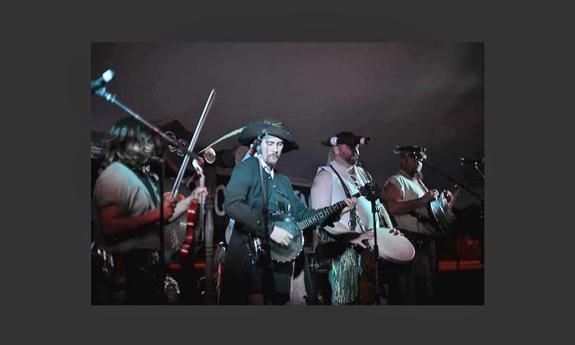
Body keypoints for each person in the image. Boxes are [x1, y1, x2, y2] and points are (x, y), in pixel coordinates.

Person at [221, 121, 355, 305]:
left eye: (279, 144)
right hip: (249, 257)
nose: (275, 149)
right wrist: (270, 229)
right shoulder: (247, 168)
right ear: (258, 145)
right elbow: (233, 204)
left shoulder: (282, 180)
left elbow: (303, 215)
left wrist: (335, 210)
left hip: (278, 263)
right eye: (270, 143)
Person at [92, 117, 206, 304]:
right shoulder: (114, 175)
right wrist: (156, 214)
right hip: (128, 266)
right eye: (141, 141)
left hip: (150, 264)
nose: (148, 146)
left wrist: (191, 199)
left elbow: (162, 218)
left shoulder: (144, 177)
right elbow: (110, 225)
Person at [310, 131, 398, 305]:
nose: (355, 150)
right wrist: (352, 236)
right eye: (350, 146)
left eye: (357, 146)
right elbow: (319, 218)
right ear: (336, 149)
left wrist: (389, 230)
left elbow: (379, 207)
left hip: (368, 253)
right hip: (342, 254)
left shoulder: (364, 174)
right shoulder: (326, 176)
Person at [383, 145, 453, 304]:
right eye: (414, 158)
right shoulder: (397, 180)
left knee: (427, 293)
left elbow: (426, 210)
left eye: (420, 158)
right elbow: (392, 207)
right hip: (412, 243)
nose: (419, 161)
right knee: (410, 294)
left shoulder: (420, 183)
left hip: (427, 244)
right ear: (403, 160)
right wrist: (423, 199)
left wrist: (444, 201)